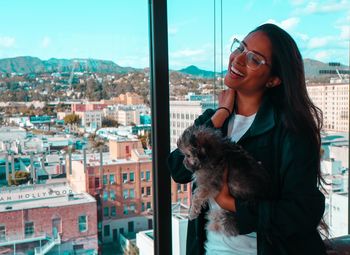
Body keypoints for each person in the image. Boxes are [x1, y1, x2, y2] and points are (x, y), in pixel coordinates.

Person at [168, 23, 327, 255]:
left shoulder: (290, 131)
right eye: (241, 47)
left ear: (273, 80)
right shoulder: (215, 119)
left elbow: (303, 213)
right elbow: (176, 168)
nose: (238, 59)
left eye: (254, 59)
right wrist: (219, 117)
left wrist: (231, 204)